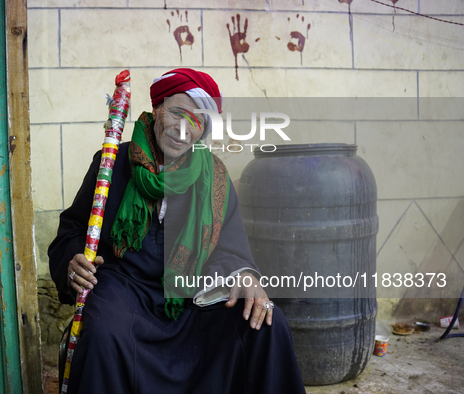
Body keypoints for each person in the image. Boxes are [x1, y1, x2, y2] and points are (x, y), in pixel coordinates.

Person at [48, 68, 305, 394]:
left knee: (267, 323)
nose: (183, 130)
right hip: (125, 293)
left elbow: (231, 247)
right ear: (157, 110)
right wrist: (72, 261)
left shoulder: (215, 175)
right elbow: (72, 229)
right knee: (102, 332)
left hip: (192, 300)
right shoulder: (112, 162)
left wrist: (245, 275)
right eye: (177, 113)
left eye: (197, 121)